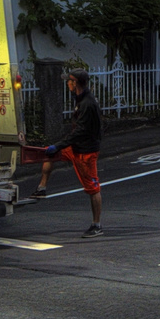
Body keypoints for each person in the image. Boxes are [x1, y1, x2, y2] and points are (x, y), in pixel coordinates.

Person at [35, 69, 104, 237]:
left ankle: (96, 225)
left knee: (92, 188)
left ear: (75, 83)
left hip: (85, 152)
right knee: (50, 154)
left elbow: (80, 131)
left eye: (69, 81)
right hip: (76, 147)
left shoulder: (87, 103)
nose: (67, 83)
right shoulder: (80, 99)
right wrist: (58, 147)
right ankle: (41, 188)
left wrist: (59, 144)